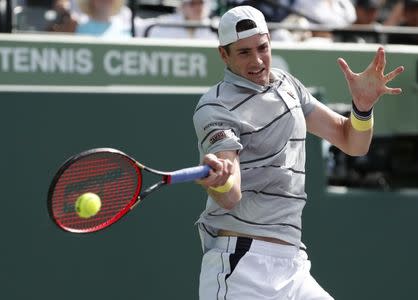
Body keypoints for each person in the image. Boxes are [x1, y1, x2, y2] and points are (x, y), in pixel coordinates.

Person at [192, 6, 404, 299]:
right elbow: (230, 195)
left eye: (262, 48)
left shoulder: (286, 83)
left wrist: (362, 108)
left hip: (292, 264)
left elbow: (352, 141)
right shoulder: (215, 108)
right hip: (241, 266)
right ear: (223, 55)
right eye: (243, 52)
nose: (257, 61)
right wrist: (222, 181)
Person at [143, 0, 217, 40]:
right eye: (193, 4)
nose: (198, 8)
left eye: (201, 3)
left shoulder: (215, 27)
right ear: (183, 6)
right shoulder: (165, 24)